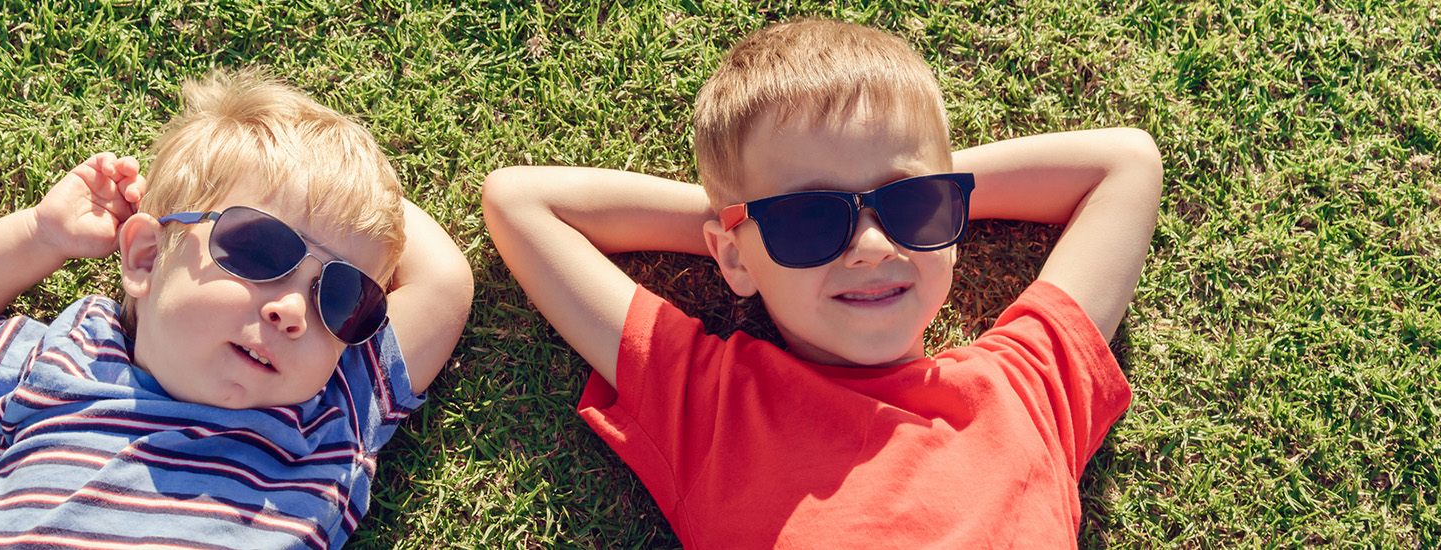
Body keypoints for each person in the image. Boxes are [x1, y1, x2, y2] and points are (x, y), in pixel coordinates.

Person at [481, 19, 1162, 548]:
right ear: (734, 260)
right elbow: (520, 203)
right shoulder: (710, 408)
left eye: (915, 206)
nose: (870, 247)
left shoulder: (1025, 389)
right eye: (809, 221)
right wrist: (743, 229)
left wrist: (900, 195)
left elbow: (1124, 164)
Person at [0, 67, 472, 549]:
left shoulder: (333, 414)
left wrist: (356, 197)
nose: (291, 309)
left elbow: (441, 285)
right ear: (147, 258)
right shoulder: (63, 362)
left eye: (340, 297)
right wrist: (41, 237)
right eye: (260, 248)